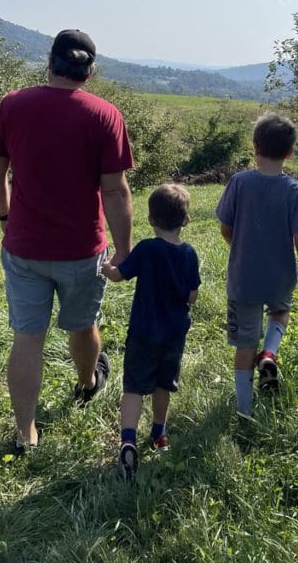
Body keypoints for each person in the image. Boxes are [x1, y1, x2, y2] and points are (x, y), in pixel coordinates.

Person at [0, 29, 134, 454]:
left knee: (27, 338)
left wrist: (6, 217)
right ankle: (87, 382)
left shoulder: (14, 105)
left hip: (24, 247)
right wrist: (123, 250)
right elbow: (116, 191)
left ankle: (26, 433)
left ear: (49, 62)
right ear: (89, 71)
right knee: (83, 324)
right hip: (81, 250)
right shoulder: (104, 115)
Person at [215, 113, 298, 417]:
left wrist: (240, 247)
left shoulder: (239, 182)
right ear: (290, 153)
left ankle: (244, 411)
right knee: (280, 313)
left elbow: (225, 227)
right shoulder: (296, 191)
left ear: (255, 147)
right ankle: (269, 353)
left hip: (244, 277)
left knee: (244, 345)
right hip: (280, 277)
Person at [102, 183, 200, 482]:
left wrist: (106, 268)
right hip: (173, 334)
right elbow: (193, 295)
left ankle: (128, 439)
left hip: (143, 331)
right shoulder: (188, 254)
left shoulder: (146, 248)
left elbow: (119, 276)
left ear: (150, 219)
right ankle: (159, 433)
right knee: (163, 384)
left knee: (133, 386)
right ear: (185, 220)